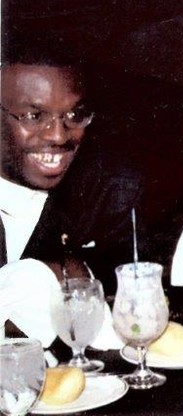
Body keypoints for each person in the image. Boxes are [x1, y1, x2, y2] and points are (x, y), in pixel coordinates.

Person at [0, 33, 144, 289]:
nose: (58, 136)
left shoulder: (111, 189)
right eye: (34, 116)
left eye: (74, 115)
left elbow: (132, 287)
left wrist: (75, 275)